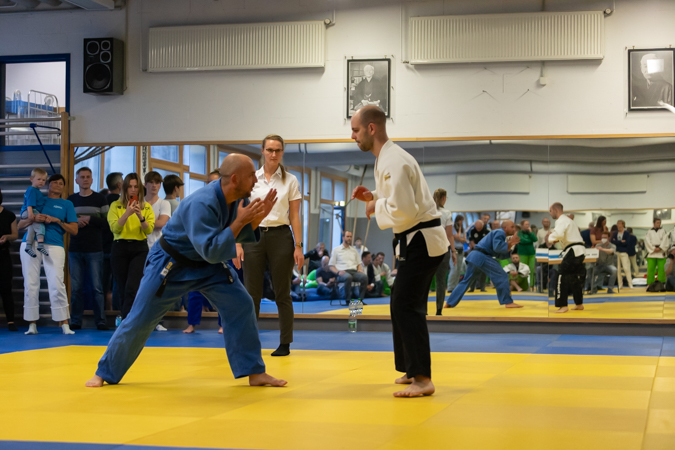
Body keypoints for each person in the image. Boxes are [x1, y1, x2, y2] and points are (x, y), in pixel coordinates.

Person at [85, 154, 286, 389]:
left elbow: (233, 235)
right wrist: (241, 221)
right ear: (234, 178)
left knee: (241, 304)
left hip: (205, 264)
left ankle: (254, 371)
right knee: (140, 318)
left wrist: (257, 217)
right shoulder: (201, 203)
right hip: (171, 264)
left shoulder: (237, 198)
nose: (256, 179)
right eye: (251, 175)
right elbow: (213, 249)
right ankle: (104, 372)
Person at [351, 105, 448, 398]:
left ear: (371, 128)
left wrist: (374, 205)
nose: (352, 136)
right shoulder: (385, 158)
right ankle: (410, 368)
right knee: (399, 301)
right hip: (414, 240)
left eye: (356, 130)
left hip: (422, 241)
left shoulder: (393, 160)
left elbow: (404, 210)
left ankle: (423, 378)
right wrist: (373, 196)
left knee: (406, 304)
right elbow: (395, 197)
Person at [241, 134, 304, 357]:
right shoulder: (252, 178)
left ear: (282, 152)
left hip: (281, 236)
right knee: (252, 293)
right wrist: (238, 242)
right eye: (270, 150)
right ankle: (249, 342)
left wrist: (299, 246)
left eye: (278, 150)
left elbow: (295, 216)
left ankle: (285, 342)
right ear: (262, 151)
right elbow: (242, 212)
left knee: (282, 292)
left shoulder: (291, 180)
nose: (273, 154)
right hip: (254, 235)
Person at [18, 174, 78, 335]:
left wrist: (57, 220)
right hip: (30, 243)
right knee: (30, 283)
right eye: (54, 182)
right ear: (48, 185)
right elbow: (20, 224)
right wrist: (33, 218)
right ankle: (32, 324)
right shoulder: (37, 198)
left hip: (54, 244)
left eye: (61, 183)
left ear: (64, 187)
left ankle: (64, 323)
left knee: (57, 283)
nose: (57, 185)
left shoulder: (67, 204)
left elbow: (74, 230)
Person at [67, 167, 110, 330]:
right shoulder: (71, 200)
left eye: (88, 177)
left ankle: (101, 321)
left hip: (95, 248)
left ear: (92, 180)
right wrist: (75, 222)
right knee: (76, 288)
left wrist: (90, 219)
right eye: (82, 177)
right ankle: (76, 320)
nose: (85, 179)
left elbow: (108, 223)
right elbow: (65, 222)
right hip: (75, 248)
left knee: (97, 288)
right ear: (77, 180)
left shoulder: (100, 199)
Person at [108, 173, 155, 320]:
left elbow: (149, 230)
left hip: (139, 248)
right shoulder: (115, 205)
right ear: (125, 188)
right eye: (130, 187)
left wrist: (140, 216)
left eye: (136, 187)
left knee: (132, 287)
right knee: (121, 287)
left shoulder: (146, 206)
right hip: (120, 247)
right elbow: (115, 229)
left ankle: (129, 320)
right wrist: (127, 213)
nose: (133, 190)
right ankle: (125, 318)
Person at [444, 221, 523, 309]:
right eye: (512, 227)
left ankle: (449, 302)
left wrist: (509, 245)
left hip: (474, 256)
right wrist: (509, 244)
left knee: (466, 281)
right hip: (482, 256)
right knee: (502, 275)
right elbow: (497, 248)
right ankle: (508, 302)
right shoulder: (500, 232)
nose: (514, 229)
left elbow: (498, 254)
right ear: (505, 228)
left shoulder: (498, 234)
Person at [184, 170, 223, 335]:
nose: (211, 185)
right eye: (209, 182)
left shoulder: (226, 204)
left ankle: (223, 324)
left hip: (220, 249)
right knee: (195, 289)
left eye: (215, 182)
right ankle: (192, 324)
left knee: (222, 289)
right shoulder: (200, 201)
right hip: (201, 249)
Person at [546, 202, 586, 313]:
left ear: (556, 210)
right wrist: (557, 239)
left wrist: (550, 237)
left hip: (573, 251)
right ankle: (579, 304)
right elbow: (566, 236)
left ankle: (562, 305)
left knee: (561, 276)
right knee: (573, 277)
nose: (550, 214)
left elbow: (558, 234)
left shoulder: (561, 220)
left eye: (550, 211)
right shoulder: (569, 221)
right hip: (579, 251)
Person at [432, 188, 456, 315]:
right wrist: (453, 251)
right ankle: (438, 310)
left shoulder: (426, 211)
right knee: (441, 281)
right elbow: (449, 235)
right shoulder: (446, 213)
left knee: (425, 280)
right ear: (443, 198)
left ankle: (422, 310)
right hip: (442, 248)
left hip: (428, 248)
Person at [329, 231, 368, 305]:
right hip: (342, 272)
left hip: (354, 271)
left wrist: (359, 269)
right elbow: (331, 266)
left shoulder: (354, 250)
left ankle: (360, 300)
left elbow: (359, 263)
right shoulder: (336, 250)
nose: (349, 238)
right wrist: (338, 272)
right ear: (343, 238)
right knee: (348, 277)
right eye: (348, 236)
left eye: (350, 237)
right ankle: (348, 301)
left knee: (364, 277)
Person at [102, 172, 123, 310]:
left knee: (102, 283)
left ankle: (102, 311)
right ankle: (116, 312)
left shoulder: (102, 200)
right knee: (117, 282)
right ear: (119, 185)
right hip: (117, 245)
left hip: (101, 246)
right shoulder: (122, 203)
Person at [0, 188, 18, 331]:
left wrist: (7, 237)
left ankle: (11, 321)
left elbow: (15, 235)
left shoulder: (9, 215)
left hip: (3, 254)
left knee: (6, 288)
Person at [21, 168, 49, 257]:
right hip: (30, 211)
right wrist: (30, 214)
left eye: (43, 180)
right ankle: (40, 245)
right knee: (40, 225)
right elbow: (30, 203)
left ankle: (28, 246)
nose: (41, 181)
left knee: (31, 229)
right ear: (31, 179)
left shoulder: (36, 191)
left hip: (29, 211)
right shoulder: (32, 190)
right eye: (39, 179)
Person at [144, 171, 172, 250]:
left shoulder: (164, 203)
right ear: (145, 184)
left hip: (157, 246)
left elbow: (162, 223)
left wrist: (143, 222)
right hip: (141, 246)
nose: (154, 185)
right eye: (151, 182)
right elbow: (133, 224)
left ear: (160, 185)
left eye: (157, 183)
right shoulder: (139, 203)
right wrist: (154, 222)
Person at [645, 218, 669, 288]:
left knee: (662, 269)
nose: (659, 224)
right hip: (652, 252)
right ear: (654, 223)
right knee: (650, 269)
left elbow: (665, 240)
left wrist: (660, 248)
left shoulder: (663, 231)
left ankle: (661, 283)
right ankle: (650, 284)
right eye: (657, 223)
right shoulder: (649, 232)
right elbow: (647, 241)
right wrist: (653, 249)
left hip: (661, 252)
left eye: (659, 223)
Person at [467, 219, 489, 292]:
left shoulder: (487, 231)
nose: (478, 229)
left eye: (479, 228)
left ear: (482, 226)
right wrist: (475, 248)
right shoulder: (473, 231)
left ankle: (482, 287)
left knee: (483, 270)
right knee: (473, 269)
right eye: (477, 227)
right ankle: (472, 287)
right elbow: (471, 241)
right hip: (475, 251)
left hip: (484, 251)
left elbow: (488, 242)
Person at [611, 220, 634, 289]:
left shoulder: (626, 233)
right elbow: (612, 241)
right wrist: (621, 242)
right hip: (617, 252)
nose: (618, 225)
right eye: (617, 223)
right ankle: (620, 284)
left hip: (624, 252)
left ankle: (630, 283)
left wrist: (617, 242)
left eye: (620, 223)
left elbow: (627, 242)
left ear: (623, 224)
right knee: (618, 269)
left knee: (626, 268)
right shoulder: (615, 233)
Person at [516, 220, 537, 290]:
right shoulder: (519, 233)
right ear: (522, 225)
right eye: (526, 224)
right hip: (522, 253)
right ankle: (523, 284)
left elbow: (535, 239)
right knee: (523, 269)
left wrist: (530, 233)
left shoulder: (531, 232)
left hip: (531, 253)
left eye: (528, 224)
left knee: (532, 269)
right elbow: (522, 240)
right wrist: (530, 240)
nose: (527, 226)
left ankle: (532, 285)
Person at [448, 214, 466, 293]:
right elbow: (457, 236)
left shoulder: (463, 229)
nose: (461, 222)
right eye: (460, 220)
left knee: (459, 269)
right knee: (454, 269)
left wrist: (461, 238)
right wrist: (459, 228)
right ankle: (450, 287)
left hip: (461, 250)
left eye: (462, 221)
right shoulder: (453, 228)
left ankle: (455, 286)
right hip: (454, 250)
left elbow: (464, 240)